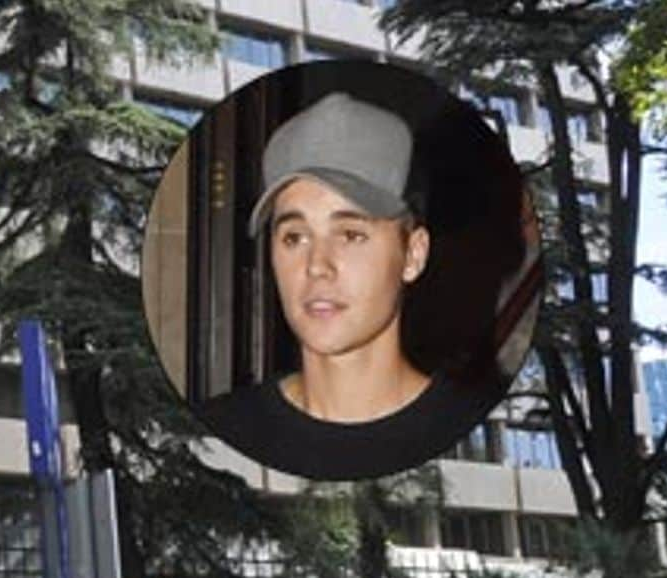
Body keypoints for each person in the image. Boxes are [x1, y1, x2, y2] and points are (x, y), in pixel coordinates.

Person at [198, 92, 501, 480]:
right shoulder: (222, 428)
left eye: (351, 235)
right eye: (294, 237)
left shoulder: (464, 429)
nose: (316, 267)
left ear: (413, 254)